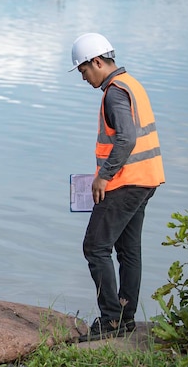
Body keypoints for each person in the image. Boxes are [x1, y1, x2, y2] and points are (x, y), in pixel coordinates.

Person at [69, 33, 165, 342]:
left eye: (84, 70)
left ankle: (111, 320)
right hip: (147, 178)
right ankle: (125, 317)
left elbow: (126, 138)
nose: (84, 78)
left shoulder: (114, 93)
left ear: (97, 62)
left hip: (126, 181)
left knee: (95, 247)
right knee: (128, 250)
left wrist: (103, 177)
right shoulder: (131, 83)